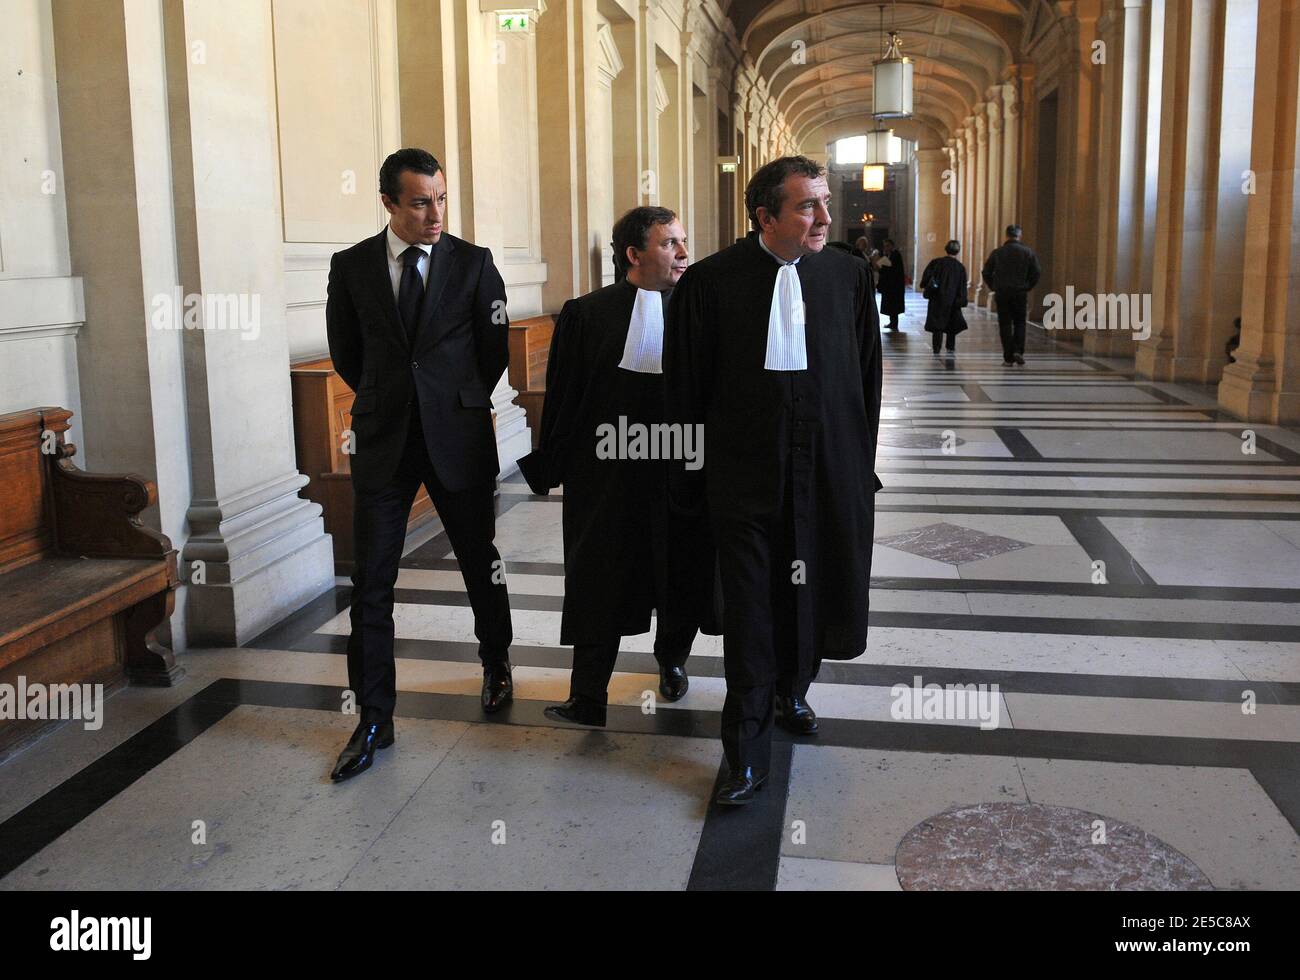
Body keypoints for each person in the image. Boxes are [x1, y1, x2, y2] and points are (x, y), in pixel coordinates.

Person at [665, 156, 883, 806]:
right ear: (765, 216)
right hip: (742, 482)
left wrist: (856, 465)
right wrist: (690, 478)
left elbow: (867, 379)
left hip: (825, 476)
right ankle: (746, 751)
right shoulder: (710, 284)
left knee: (808, 598)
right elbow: (684, 391)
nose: (822, 217)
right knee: (752, 613)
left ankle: (795, 690)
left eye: (822, 202)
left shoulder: (847, 276)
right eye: (805, 206)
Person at [325, 148, 514, 781]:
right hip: (383, 441)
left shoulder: (474, 263)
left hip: (457, 435)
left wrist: (450, 400)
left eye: (440, 199)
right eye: (418, 202)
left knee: (477, 560)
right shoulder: (350, 267)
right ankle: (374, 716)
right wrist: (395, 400)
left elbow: (492, 354)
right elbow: (347, 352)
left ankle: (497, 662)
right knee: (370, 582)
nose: (434, 213)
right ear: (388, 204)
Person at [517, 207, 707, 726]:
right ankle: (587, 695)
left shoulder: (700, 310)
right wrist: (553, 462)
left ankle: (672, 661)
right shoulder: (587, 314)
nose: (683, 253)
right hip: (606, 473)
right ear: (634, 254)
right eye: (669, 243)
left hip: (681, 466)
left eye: (682, 241)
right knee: (597, 577)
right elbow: (564, 398)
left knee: (680, 572)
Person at [982, 224, 1041, 366]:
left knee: (1005, 324)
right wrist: (1027, 286)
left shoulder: (998, 253)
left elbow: (986, 272)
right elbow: (1036, 272)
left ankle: (1008, 357)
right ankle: (1018, 351)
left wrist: (994, 287)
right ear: (1019, 236)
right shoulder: (1028, 252)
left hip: (1002, 293)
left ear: (1006, 235)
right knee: (1020, 322)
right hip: (1020, 293)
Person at [919, 240, 969, 355]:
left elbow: (926, 279)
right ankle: (950, 347)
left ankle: (936, 348)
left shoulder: (936, 263)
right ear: (958, 251)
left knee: (937, 325)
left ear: (946, 249)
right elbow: (962, 286)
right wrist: (961, 300)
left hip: (937, 299)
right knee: (952, 324)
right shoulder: (960, 267)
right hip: (952, 300)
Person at [875, 237, 907, 331]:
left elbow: (894, 270)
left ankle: (894, 323)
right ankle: (892, 322)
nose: (885, 248)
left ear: (892, 246)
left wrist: (883, 267)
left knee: (894, 305)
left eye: (887, 246)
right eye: (884, 246)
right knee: (891, 305)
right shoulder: (889, 255)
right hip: (890, 286)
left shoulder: (895, 255)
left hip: (894, 286)